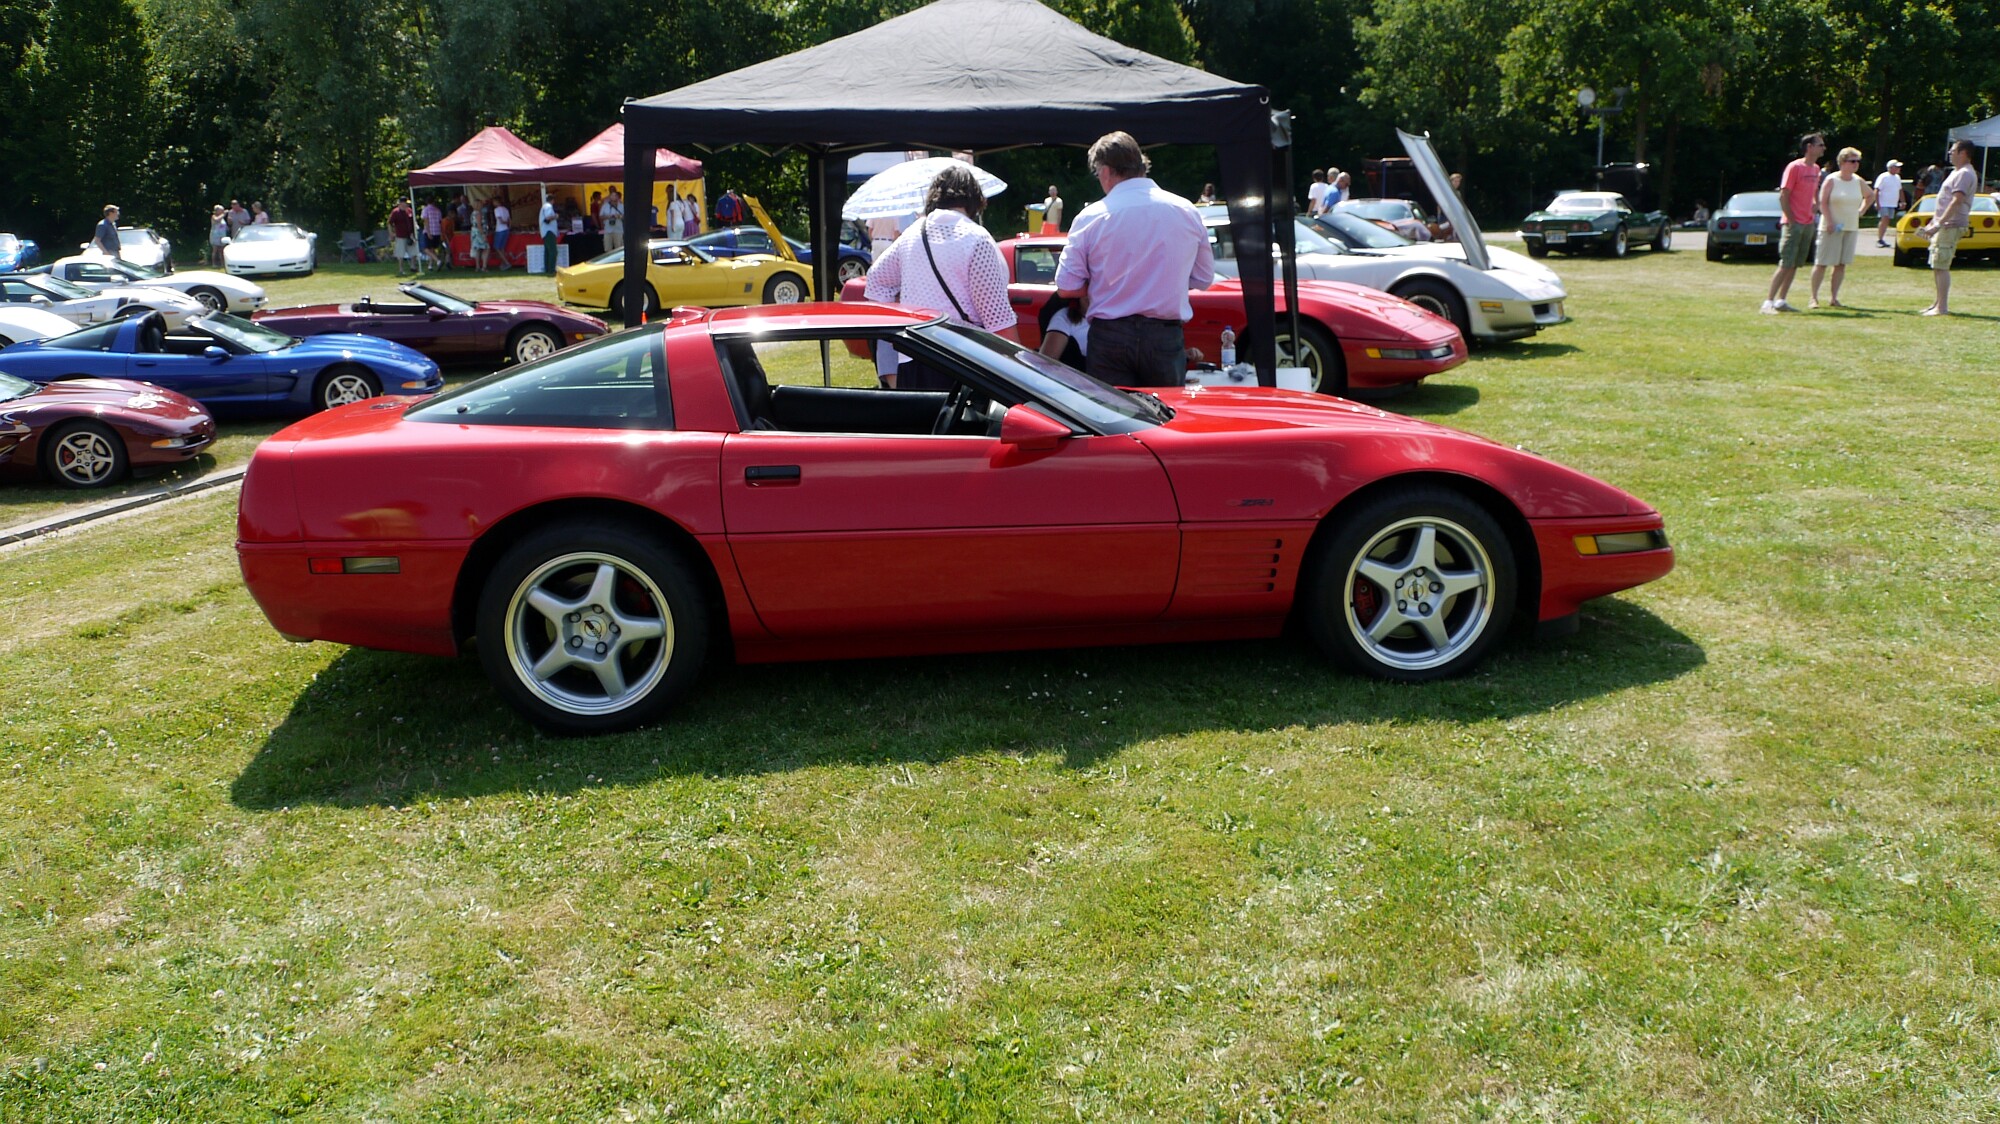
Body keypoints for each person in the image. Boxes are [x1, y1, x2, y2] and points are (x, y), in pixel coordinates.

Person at [1053, 131, 1215, 388]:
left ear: (1105, 171)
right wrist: (1163, 283)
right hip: (1164, 335)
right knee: (1164, 411)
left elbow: (1066, 287)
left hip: (1110, 336)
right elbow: (1204, 278)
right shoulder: (1186, 210)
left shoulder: (1091, 217)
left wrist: (1104, 286)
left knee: (1111, 412)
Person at [862, 163, 1017, 390]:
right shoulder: (976, 238)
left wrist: (901, 317)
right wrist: (1022, 375)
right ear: (974, 199)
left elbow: (875, 282)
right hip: (963, 360)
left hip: (914, 355)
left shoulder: (912, 234)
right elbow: (998, 320)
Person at [1762, 132, 1825, 314]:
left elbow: (1815, 190)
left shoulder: (1816, 169)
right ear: (1809, 147)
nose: (1823, 148)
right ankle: (1768, 303)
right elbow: (1784, 195)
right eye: (1820, 145)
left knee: (1795, 264)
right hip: (1793, 223)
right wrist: (1790, 219)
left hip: (1807, 223)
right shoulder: (1794, 167)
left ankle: (1781, 301)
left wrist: (1816, 204)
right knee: (1785, 263)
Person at [1809, 146, 1875, 308]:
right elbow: (1823, 202)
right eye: (1852, 161)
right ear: (1842, 162)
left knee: (1841, 264)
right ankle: (1813, 298)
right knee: (1822, 263)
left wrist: (1861, 211)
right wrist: (1829, 221)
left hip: (1850, 227)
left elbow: (1870, 195)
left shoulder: (1858, 181)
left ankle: (1834, 298)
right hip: (1830, 227)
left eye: (1858, 161)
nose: (1856, 164)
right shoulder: (1832, 180)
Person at [1918, 139, 1979, 316]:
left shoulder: (1964, 173)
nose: (1949, 154)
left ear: (1963, 153)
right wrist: (1934, 222)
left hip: (1950, 225)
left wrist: (1939, 223)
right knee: (1937, 264)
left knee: (1942, 264)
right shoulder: (1957, 172)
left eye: (1953, 151)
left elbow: (1956, 200)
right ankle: (1937, 303)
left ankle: (1942, 307)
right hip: (1945, 224)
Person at [1873, 159, 1904, 246]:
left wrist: (1903, 201)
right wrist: (1877, 203)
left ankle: (1881, 238)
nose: (1899, 169)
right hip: (1883, 203)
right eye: (1897, 167)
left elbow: (1900, 190)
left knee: (1887, 220)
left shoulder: (1897, 177)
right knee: (1884, 219)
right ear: (1891, 167)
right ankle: (1879, 240)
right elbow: (1876, 190)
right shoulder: (1883, 176)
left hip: (1892, 203)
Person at [388, 199, 416, 275]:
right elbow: (390, 223)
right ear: (401, 203)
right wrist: (391, 233)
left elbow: (413, 222)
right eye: (405, 203)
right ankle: (401, 269)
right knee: (400, 254)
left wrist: (413, 232)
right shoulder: (395, 212)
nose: (407, 205)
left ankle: (413, 266)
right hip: (400, 236)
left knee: (414, 251)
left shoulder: (409, 210)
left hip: (410, 235)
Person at [538, 193, 559, 275]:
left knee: (547, 251)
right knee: (553, 251)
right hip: (549, 231)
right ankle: (551, 269)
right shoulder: (548, 206)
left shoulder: (544, 206)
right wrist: (556, 216)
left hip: (545, 231)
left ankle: (547, 269)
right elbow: (547, 218)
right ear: (552, 200)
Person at [469, 198, 491, 273]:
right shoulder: (479, 214)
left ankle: (477, 266)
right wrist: (483, 234)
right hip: (479, 233)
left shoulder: (473, 213)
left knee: (477, 249)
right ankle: (484, 267)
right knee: (486, 248)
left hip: (474, 232)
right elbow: (479, 225)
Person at [492, 195, 511, 268]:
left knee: (497, 247)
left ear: (496, 202)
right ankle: (503, 263)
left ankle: (506, 262)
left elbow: (500, 220)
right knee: (502, 247)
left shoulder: (496, 210)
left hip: (500, 230)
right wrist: (508, 225)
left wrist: (504, 222)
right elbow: (509, 220)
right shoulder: (506, 209)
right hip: (506, 230)